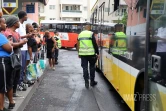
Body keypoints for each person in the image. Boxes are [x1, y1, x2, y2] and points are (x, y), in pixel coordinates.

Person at [4, 16, 28, 97]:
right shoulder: (8, 33)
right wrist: (21, 43)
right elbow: (10, 46)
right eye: (17, 22)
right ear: (14, 23)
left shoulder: (16, 33)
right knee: (11, 76)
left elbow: (18, 45)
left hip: (18, 56)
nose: (19, 23)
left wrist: (21, 43)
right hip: (11, 57)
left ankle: (14, 92)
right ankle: (9, 94)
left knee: (17, 74)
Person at [77, 24, 99, 89]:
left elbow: (78, 45)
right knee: (92, 67)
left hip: (83, 55)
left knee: (85, 68)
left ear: (84, 28)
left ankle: (86, 81)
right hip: (91, 54)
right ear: (89, 28)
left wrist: (78, 53)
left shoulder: (80, 34)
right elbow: (94, 44)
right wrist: (97, 53)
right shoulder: (91, 34)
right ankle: (92, 81)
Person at [0, 12, 14, 111]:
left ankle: (10, 102)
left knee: (7, 83)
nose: (6, 25)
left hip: (5, 61)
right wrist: (10, 44)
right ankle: (1, 108)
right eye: (4, 23)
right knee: (2, 86)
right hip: (3, 61)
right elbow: (9, 48)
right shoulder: (0, 36)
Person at [16, 11, 32, 85]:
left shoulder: (23, 24)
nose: (27, 17)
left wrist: (28, 35)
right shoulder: (18, 24)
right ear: (23, 16)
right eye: (26, 16)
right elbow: (16, 36)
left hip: (25, 48)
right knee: (21, 66)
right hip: (21, 48)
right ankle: (19, 82)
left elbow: (22, 35)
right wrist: (26, 36)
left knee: (24, 66)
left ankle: (21, 80)